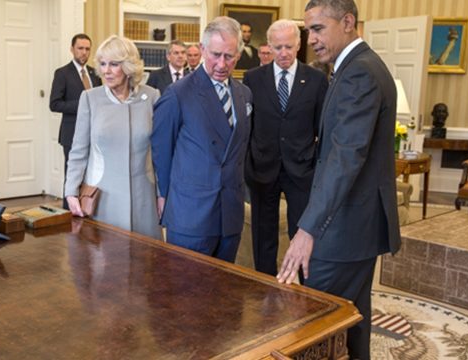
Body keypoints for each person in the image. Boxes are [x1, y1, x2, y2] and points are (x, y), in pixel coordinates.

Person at [276, 1, 400, 359]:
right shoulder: (354, 67)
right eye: (307, 30)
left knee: (314, 325)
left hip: (345, 228)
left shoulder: (359, 72)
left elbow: (346, 157)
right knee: (351, 320)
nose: (310, 38)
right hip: (358, 226)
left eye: (317, 28)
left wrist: (308, 230)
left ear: (348, 22)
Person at [151, 16, 252, 263]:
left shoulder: (244, 94)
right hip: (191, 214)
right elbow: (161, 152)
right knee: (187, 295)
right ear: (202, 48)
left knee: (224, 293)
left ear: (238, 54)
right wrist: (164, 196)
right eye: (215, 54)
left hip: (230, 214)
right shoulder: (178, 94)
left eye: (229, 56)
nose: (221, 63)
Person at [242, 19, 328, 276]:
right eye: (277, 47)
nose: (283, 53)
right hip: (262, 169)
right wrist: (249, 164)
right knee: (263, 235)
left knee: (301, 233)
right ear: (268, 46)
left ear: (299, 45)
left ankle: (303, 285)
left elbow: (321, 129)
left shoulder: (316, 80)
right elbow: (248, 126)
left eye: (289, 47)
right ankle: (265, 285)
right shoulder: (252, 79)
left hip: (301, 170)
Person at [64, 35, 162, 239]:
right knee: (105, 264)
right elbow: (79, 150)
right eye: (102, 64)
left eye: (114, 64)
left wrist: (162, 194)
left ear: (128, 67)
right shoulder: (90, 98)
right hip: (103, 197)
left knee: (147, 264)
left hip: (143, 196)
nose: (106, 71)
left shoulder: (151, 96)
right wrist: (71, 191)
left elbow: (160, 154)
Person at [50, 33, 102, 209]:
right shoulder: (62, 73)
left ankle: (87, 209)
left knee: (91, 174)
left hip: (95, 133)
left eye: (87, 49)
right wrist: (83, 105)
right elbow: (55, 104)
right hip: (71, 134)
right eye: (80, 48)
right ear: (72, 49)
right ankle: (68, 211)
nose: (84, 52)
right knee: (72, 176)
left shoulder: (95, 74)